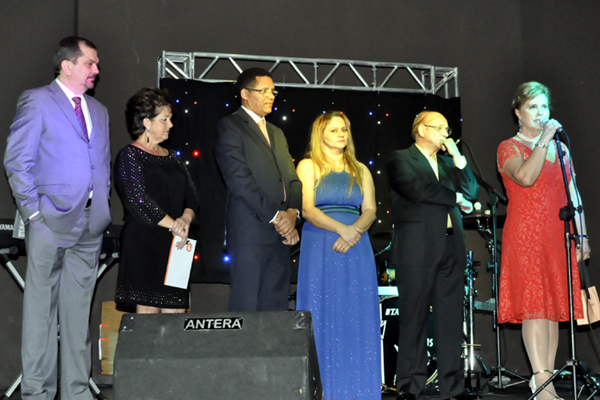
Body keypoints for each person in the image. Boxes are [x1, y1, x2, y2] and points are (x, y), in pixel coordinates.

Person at [3, 36, 111, 399]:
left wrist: (102, 207)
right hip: (50, 222)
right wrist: (33, 211)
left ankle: (77, 393)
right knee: (41, 318)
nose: (96, 70)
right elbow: (17, 160)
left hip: (90, 224)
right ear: (68, 65)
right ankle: (37, 394)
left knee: (79, 318)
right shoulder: (37, 100)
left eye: (96, 64)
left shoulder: (99, 111)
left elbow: (101, 164)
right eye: (90, 63)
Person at [497, 82, 590, 400]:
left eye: (545, 107)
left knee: (552, 310)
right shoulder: (508, 147)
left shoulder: (561, 149)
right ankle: (541, 380)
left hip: (557, 235)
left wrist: (582, 234)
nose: (541, 113)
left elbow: (573, 194)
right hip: (527, 235)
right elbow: (525, 177)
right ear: (518, 113)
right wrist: (543, 141)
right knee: (536, 308)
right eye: (533, 107)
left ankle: (544, 380)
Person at [386, 111, 479, 400]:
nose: (445, 134)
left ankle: (453, 386)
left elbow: (473, 190)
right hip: (417, 248)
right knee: (413, 317)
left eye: (447, 129)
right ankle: (409, 385)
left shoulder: (450, 164)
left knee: (450, 319)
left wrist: (459, 158)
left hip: (451, 247)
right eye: (439, 128)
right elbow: (417, 190)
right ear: (421, 130)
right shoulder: (400, 159)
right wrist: (458, 200)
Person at [296, 111, 381, 399]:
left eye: (344, 129)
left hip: (357, 247)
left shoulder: (361, 169)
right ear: (320, 135)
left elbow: (370, 210)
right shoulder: (308, 166)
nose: (341, 134)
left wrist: (353, 231)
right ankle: (324, 391)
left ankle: (360, 390)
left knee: (357, 315)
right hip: (320, 244)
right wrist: (343, 230)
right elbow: (307, 209)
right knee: (320, 313)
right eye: (333, 130)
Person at [214, 68, 302, 312]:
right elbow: (240, 180)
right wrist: (277, 216)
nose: (270, 96)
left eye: (273, 91)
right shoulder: (230, 126)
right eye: (263, 90)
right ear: (245, 93)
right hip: (250, 232)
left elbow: (292, 180)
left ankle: (272, 352)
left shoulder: (277, 133)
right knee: (247, 305)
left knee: (274, 307)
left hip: (280, 235)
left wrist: (293, 213)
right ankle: (243, 353)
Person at [114, 88, 199, 314]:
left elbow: (192, 196)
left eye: (170, 119)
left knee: (175, 323)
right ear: (146, 122)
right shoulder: (129, 156)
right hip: (145, 247)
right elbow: (138, 200)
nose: (171, 124)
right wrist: (175, 225)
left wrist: (185, 219)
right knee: (148, 325)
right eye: (164, 119)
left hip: (175, 247)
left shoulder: (174, 158)